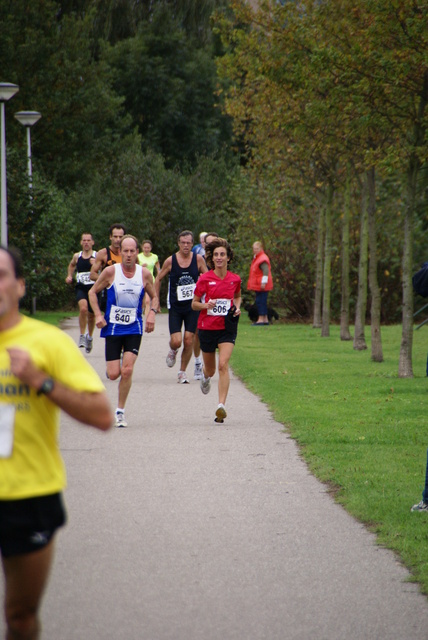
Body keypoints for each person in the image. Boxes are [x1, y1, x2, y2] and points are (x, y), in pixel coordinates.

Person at [0, 245, 112, 640]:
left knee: (20, 616)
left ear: (20, 286)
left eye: (1, 275)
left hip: (29, 495)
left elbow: (102, 416)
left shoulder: (46, 342)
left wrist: (40, 381)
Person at [89, 235, 159, 427]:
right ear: (121, 252)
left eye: (132, 251)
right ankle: (112, 369)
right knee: (114, 374)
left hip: (133, 328)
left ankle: (120, 411)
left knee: (127, 370)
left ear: (137, 253)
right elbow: (92, 292)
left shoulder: (144, 274)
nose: (128, 254)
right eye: (125, 251)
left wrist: (151, 313)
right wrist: (97, 315)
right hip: (112, 327)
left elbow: (154, 297)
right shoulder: (111, 272)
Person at [192, 237, 241, 423]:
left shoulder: (235, 279)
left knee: (223, 365)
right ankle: (205, 375)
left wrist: (237, 307)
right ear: (212, 259)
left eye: (223, 254)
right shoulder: (205, 279)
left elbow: (237, 296)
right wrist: (206, 305)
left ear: (228, 258)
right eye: (216, 255)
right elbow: (194, 304)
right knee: (212, 370)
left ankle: (221, 406)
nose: (219, 258)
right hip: (207, 328)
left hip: (227, 328)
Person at [154, 230, 207, 384]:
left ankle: (182, 372)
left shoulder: (198, 260)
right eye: (183, 242)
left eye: (188, 243)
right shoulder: (171, 261)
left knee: (189, 340)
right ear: (178, 243)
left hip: (193, 306)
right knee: (177, 341)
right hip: (176, 306)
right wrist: (156, 299)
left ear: (192, 244)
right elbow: (158, 279)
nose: (185, 245)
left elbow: (209, 277)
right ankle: (173, 350)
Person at [192, 231, 220, 380]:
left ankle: (214, 365)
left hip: (218, 302)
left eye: (214, 242)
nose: (211, 245)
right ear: (203, 244)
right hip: (201, 300)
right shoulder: (197, 260)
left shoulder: (222, 259)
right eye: (208, 243)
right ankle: (197, 361)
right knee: (197, 333)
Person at [65, 232, 97, 353]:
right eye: (84, 240)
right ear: (81, 242)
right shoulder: (77, 256)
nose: (86, 242)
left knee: (91, 315)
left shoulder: (96, 255)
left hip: (94, 289)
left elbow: (104, 269)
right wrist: (69, 275)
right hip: (81, 287)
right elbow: (72, 265)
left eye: (88, 240)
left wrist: (97, 265)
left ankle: (90, 337)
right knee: (83, 309)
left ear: (92, 242)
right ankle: (82, 336)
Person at [247, 240, 274, 326]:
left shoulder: (262, 259)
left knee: (260, 301)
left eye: (257, 248)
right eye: (254, 248)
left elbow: (266, 271)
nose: (255, 250)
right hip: (259, 284)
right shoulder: (258, 258)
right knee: (262, 301)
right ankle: (265, 319)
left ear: (261, 248)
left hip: (262, 285)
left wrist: (263, 282)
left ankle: (261, 319)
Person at [138, 239, 161, 316]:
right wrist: (141, 266)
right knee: (141, 300)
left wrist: (159, 273)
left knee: (148, 301)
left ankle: (147, 318)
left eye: (148, 248)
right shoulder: (138, 256)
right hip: (139, 280)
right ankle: (139, 313)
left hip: (150, 280)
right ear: (142, 247)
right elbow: (133, 267)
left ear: (151, 248)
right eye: (145, 247)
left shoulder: (154, 257)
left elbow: (157, 265)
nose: (146, 249)